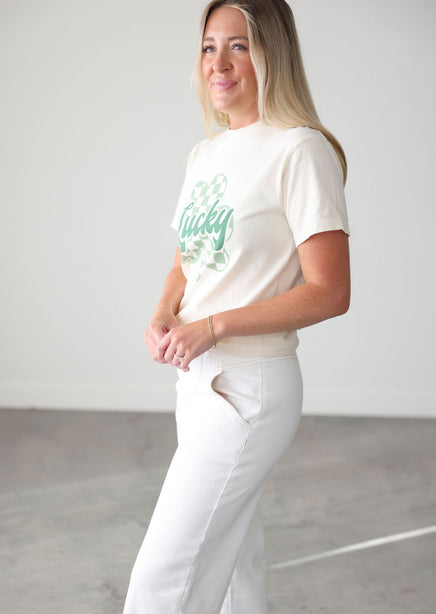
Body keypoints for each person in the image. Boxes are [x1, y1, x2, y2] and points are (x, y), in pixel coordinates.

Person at [123, 0, 350, 612]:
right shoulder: (206, 155)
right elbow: (186, 262)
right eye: (208, 47)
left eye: (238, 46)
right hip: (195, 382)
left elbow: (331, 291)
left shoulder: (300, 150)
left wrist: (214, 326)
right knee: (231, 562)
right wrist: (164, 313)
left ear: (273, 53)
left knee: (164, 575)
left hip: (247, 389)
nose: (218, 63)